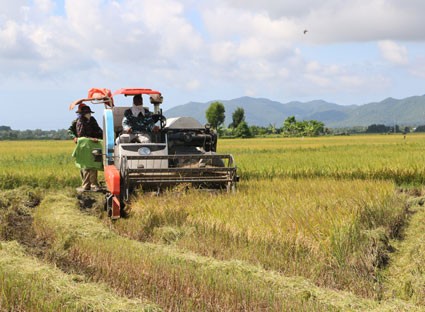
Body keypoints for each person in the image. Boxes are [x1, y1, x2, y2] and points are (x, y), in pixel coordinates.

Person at [73, 105, 103, 191]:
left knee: (94, 164)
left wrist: (104, 136)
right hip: (86, 146)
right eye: (87, 113)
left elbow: (98, 130)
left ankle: (94, 184)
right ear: (83, 114)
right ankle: (86, 185)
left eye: (89, 112)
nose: (89, 114)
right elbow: (81, 135)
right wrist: (91, 139)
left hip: (95, 144)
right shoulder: (80, 122)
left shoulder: (92, 120)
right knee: (86, 165)